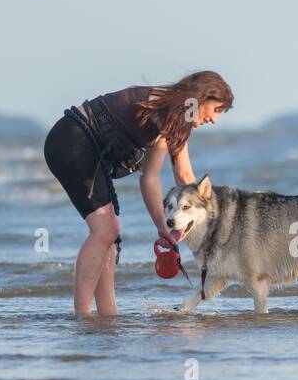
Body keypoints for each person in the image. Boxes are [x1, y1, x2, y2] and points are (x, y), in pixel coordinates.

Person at [43, 70, 233, 316]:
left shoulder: (172, 116)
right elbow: (185, 178)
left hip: (84, 147)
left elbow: (150, 178)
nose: (215, 120)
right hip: (71, 141)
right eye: (216, 110)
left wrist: (164, 226)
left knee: (110, 236)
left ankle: (107, 315)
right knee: (105, 230)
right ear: (201, 97)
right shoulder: (167, 108)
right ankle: (82, 316)